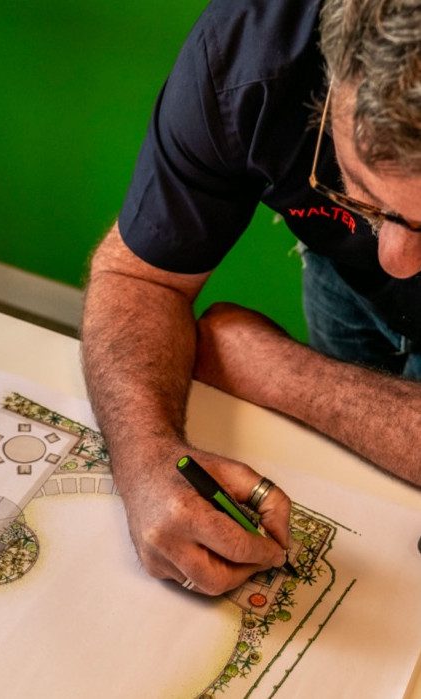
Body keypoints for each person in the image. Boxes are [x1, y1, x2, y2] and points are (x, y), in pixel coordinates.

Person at [82, 0, 421, 597]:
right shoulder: (249, 54)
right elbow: (140, 280)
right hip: (343, 281)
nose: (395, 259)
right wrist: (144, 460)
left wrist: (284, 374)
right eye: (361, 193)